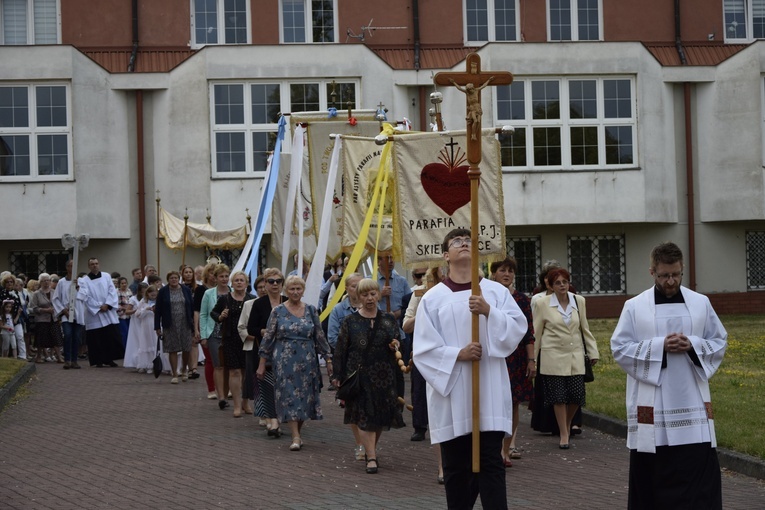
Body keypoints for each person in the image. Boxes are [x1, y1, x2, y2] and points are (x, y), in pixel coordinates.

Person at [413, 228, 527, 509]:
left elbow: (517, 330)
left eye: (469, 242)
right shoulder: (433, 298)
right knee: (456, 469)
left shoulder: (495, 292)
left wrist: (489, 311)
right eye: (457, 242)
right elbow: (423, 351)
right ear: (445, 255)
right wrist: (458, 354)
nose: (464, 245)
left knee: (491, 464)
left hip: (487, 389)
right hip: (452, 395)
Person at [611, 242, 727, 509]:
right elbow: (619, 347)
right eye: (664, 275)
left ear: (682, 269)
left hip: (692, 404)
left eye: (676, 274)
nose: (671, 281)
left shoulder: (701, 303)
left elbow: (719, 340)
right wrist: (659, 346)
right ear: (652, 271)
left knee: (696, 476)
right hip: (653, 404)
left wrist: (694, 345)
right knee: (653, 478)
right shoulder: (634, 306)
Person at [332, 278, 405, 474]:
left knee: (380, 417)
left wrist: (395, 344)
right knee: (363, 416)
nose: (369, 298)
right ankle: (371, 457)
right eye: (364, 295)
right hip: (359, 375)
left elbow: (398, 341)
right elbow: (341, 349)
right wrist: (337, 375)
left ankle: (369, 448)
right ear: (358, 297)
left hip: (384, 375)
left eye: (373, 294)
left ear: (379, 295)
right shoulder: (350, 321)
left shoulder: (389, 319)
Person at [257, 275, 333, 452]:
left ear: (303, 290)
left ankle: (297, 432)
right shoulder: (277, 311)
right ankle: (295, 436)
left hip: (307, 359)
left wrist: (328, 359)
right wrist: (262, 364)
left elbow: (320, 337)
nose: (295, 292)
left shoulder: (311, 310)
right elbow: (268, 338)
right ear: (286, 291)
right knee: (290, 396)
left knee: (304, 397)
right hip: (284, 360)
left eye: (298, 288)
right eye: (292, 289)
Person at [532, 268, 599, 449]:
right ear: (551, 286)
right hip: (552, 355)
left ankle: (567, 424)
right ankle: (563, 433)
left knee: (577, 395)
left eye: (565, 282)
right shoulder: (542, 303)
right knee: (558, 397)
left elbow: (584, 328)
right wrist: (533, 359)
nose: (562, 285)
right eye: (558, 283)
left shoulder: (579, 301)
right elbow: (537, 333)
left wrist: (593, 352)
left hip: (575, 354)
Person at [490, 257, 536, 466]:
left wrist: (531, 360)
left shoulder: (522, 300)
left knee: (514, 403)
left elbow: (528, 333)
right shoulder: (486, 297)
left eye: (510, 271)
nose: (506, 274)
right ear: (493, 273)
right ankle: (494, 448)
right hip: (494, 356)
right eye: (502, 270)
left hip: (516, 358)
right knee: (494, 402)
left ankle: (507, 449)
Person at [403, 265, 446, 483]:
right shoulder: (419, 294)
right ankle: (420, 425)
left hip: (451, 355)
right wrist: (423, 311)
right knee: (422, 392)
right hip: (425, 353)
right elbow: (406, 325)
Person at [242, 268, 287, 434]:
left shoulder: (288, 301)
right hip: (265, 350)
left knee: (282, 385)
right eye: (271, 281)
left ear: (282, 284)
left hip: (285, 351)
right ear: (265, 284)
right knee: (266, 384)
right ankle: (270, 417)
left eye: (278, 281)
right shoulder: (258, 304)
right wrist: (264, 331)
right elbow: (251, 328)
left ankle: (280, 415)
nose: (274, 284)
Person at [326, 272, 366, 459]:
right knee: (354, 405)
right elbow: (333, 338)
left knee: (372, 405)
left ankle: (370, 442)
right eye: (353, 286)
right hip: (350, 365)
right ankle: (360, 444)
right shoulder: (339, 310)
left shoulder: (374, 307)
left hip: (372, 365)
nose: (357, 289)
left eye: (360, 285)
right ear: (346, 288)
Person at [211, 270, 254, 417]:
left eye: (242, 280)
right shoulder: (225, 298)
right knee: (234, 372)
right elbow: (214, 313)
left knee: (246, 373)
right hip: (230, 339)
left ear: (246, 283)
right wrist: (221, 316)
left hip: (248, 339)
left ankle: (245, 402)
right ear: (232, 283)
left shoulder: (252, 299)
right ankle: (236, 405)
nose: (239, 283)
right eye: (236, 280)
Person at [78, 257, 124, 367]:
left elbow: (112, 291)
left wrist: (107, 305)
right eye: (92, 264)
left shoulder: (106, 276)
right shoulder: (84, 280)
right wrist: (98, 307)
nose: (95, 265)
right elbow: (86, 296)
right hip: (94, 313)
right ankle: (98, 360)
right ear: (89, 266)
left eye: (96, 263)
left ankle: (109, 359)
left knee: (109, 336)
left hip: (107, 311)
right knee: (96, 338)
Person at [154, 270, 194, 383]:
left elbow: (191, 306)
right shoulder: (163, 291)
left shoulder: (185, 290)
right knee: (172, 348)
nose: (174, 280)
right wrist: (157, 326)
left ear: (179, 279)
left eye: (176, 278)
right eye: (171, 278)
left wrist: (194, 324)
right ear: (168, 280)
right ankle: (175, 373)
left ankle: (184, 369)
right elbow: (158, 310)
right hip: (169, 323)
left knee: (186, 347)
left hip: (185, 322)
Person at [200, 264, 231, 407]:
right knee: (218, 365)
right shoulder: (209, 294)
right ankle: (221, 396)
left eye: (226, 276)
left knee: (230, 366)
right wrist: (204, 335)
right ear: (215, 278)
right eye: (221, 276)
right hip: (214, 333)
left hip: (231, 334)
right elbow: (204, 314)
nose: (224, 279)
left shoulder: (233, 292)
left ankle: (228, 390)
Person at [52, 260, 84, 369]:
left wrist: (78, 288)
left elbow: (85, 296)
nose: (72, 268)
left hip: (78, 313)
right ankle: (67, 360)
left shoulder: (82, 281)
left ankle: (74, 360)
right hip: (66, 313)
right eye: (70, 266)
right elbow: (56, 298)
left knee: (76, 337)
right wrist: (62, 310)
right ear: (67, 268)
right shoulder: (61, 282)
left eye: (74, 266)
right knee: (68, 335)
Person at [194, 263, 218, 399]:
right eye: (211, 273)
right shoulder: (201, 290)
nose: (214, 276)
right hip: (207, 328)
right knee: (210, 360)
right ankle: (211, 389)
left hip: (222, 329)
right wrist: (197, 329)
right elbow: (198, 311)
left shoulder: (225, 290)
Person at [29, 273, 64, 363]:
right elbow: (33, 308)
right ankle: (39, 357)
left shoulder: (54, 292)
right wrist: (45, 310)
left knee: (56, 337)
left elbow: (58, 303)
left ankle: (59, 357)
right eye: (44, 281)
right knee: (41, 339)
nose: (46, 282)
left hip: (54, 318)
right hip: (42, 320)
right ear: (40, 282)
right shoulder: (36, 294)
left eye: (48, 280)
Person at [124, 284, 158, 373]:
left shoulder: (158, 301)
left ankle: (156, 364)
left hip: (155, 324)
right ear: (148, 294)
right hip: (146, 325)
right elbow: (137, 314)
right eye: (152, 295)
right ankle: (147, 364)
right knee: (146, 344)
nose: (153, 297)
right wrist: (145, 310)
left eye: (155, 295)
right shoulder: (143, 301)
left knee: (156, 343)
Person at [181, 265, 201, 379]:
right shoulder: (180, 287)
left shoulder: (198, 287)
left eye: (190, 272)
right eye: (186, 272)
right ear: (182, 274)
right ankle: (188, 367)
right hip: (184, 316)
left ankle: (194, 368)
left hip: (195, 315)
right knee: (186, 344)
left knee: (194, 342)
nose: (188, 274)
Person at [376, 254, 409, 321]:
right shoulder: (370, 281)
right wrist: (380, 294)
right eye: (387, 258)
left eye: (392, 258)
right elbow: (363, 303)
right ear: (379, 261)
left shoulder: (402, 281)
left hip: (398, 325)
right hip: (378, 323)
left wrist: (398, 313)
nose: (390, 261)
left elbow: (410, 303)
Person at [0, 274, 25, 360]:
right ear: (4, 283)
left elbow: (20, 305)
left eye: (11, 282)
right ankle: (5, 357)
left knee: (20, 336)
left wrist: (18, 315)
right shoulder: (2, 293)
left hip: (16, 319)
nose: (9, 284)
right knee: (6, 341)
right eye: (7, 282)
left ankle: (22, 356)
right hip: (5, 320)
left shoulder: (16, 293)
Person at [116, 277, 132, 350]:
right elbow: (116, 305)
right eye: (122, 283)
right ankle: (125, 349)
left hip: (129, 315)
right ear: (119, 284)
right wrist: (125, 308)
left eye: (125, 283)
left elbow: (131, 302)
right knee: (124, 333)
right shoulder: (116, 292)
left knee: (130, 333)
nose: (124, 285)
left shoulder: (129, 291)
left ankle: (130, 349)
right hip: (121, 315)